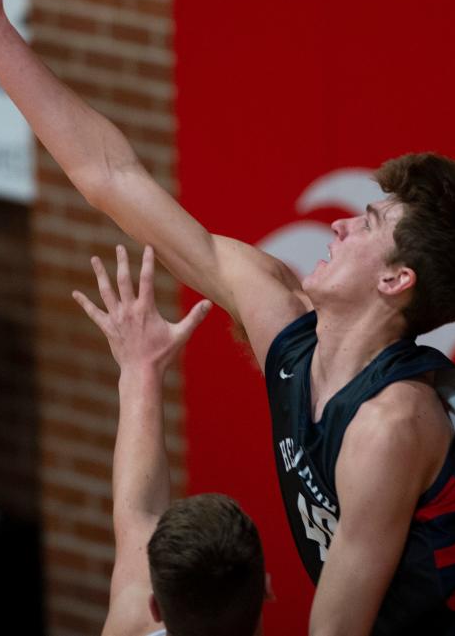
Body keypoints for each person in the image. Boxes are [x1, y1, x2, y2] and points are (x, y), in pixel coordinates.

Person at [0, 0, 455, 636]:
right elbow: (114, 180)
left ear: (398, 278)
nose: (340, 224)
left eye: (368, 223)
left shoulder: (390, 425)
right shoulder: (281, 317)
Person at [73, 244, 265, 636]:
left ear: (154, 608)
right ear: (265, 591)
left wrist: (140, 367)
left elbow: (136, 512)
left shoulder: (129, 623)